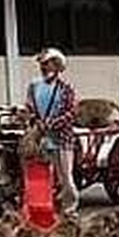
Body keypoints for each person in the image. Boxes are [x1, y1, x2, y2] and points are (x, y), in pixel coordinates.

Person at [26, 47, 80, 212]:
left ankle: (70, 207)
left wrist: (52, 124)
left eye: (47, 63)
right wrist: (35, 121)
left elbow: (72, 112)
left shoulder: (66, 88)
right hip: (42, 136)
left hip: (62, 137)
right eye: (42, 64)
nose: (44, 67)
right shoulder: (34, 86)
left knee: (65, 174)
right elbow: (29, 108)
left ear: (57, 66)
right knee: (42, 172)